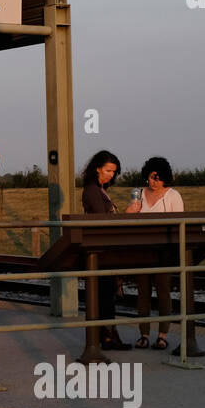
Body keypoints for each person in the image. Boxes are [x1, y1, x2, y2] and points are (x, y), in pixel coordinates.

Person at [126, 155, 184, 349]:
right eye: (152, 177)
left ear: (165, 178)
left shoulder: (173, 196)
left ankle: (162, 335)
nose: (155, 181)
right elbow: (127, 220)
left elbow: (180, 224)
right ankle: (143, 334)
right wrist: (131, 211)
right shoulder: (138, 194)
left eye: (159, 178)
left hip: (164, 252)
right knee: (143, 293)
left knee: (163, 291)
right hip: (141, 251)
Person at [81, 149, 128, 350]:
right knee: (104, 295)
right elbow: (102, 219)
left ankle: (108, 335)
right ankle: (107, 336)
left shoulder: (99, 189)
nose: (111, 175)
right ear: (97, 169)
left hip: (105, 249)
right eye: (108, 170)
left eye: (114, 172)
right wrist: (126, 214)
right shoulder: (92, 190)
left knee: (106, 294)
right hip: (100, 250)